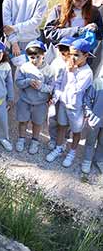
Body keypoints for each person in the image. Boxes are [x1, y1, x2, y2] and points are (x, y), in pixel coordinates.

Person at [46, 39, 93, 168]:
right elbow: (60, 83)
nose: (73, 57)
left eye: (77, 55)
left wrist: (71, 73)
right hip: (63, 103)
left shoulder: (87, 72)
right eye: (71, 54)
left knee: (76, 131)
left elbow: (77, 90)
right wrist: (55, 98)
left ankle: (72, 152)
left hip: (76, 108)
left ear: (86, 55)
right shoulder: (68, 66)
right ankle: (59, 147)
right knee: (61, 126)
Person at [44, 0, 102, 70]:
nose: (82, 3)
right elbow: (49, 33)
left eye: (85, 0)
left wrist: (95, 28)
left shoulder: (94, 12)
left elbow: (100, 35)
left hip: (81, 61)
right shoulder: (59, 10)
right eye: (78, 0)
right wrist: (77, 31)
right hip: (59, 57)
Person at [15, 41, 54, 154]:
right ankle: (21, 138)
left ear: (43, 55)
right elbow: (18, 82)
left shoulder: (49, 70)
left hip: (40, 103)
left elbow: (52, 87)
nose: (35, 60)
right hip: (25, 100)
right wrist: (27, 81)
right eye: (32, 57)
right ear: (27, 56)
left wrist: (41, 86)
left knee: (37, 123)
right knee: (23, 121)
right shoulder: (24, 67)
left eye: (38, 57)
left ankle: (35, 140)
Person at [47, 36, 74, 151]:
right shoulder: (56, 62)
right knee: (53, 117)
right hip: (55, 96)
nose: (63, 53)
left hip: (68, 98)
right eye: (61, 50)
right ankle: (53, 138)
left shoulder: (74, 65)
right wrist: (49, 94)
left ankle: (64, 138)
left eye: (66, 50)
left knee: (66, 119)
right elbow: (51, 79)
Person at [82, 66, 103, 174]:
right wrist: (89, 113)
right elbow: (87, 99)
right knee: (90, 141)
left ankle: (99, 159)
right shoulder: (98, 83)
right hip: (94, 120)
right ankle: (87, 160)